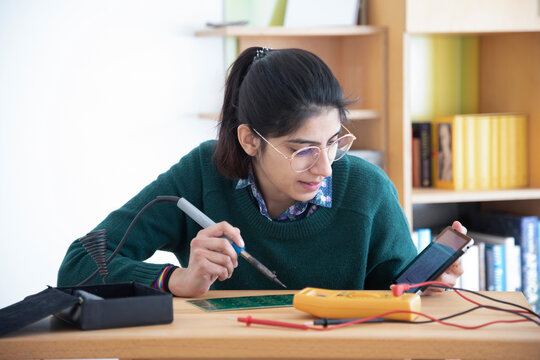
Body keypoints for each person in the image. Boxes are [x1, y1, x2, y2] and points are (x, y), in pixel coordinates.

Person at [58, 47, 464, 297]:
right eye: (302, 149)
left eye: (332, 142)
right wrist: (174, 279)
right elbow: (79, 264)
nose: (324, 167)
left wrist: (428, 290)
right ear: (250, 140)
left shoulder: (368, 190)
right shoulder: (203, 172)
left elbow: (398, 303)